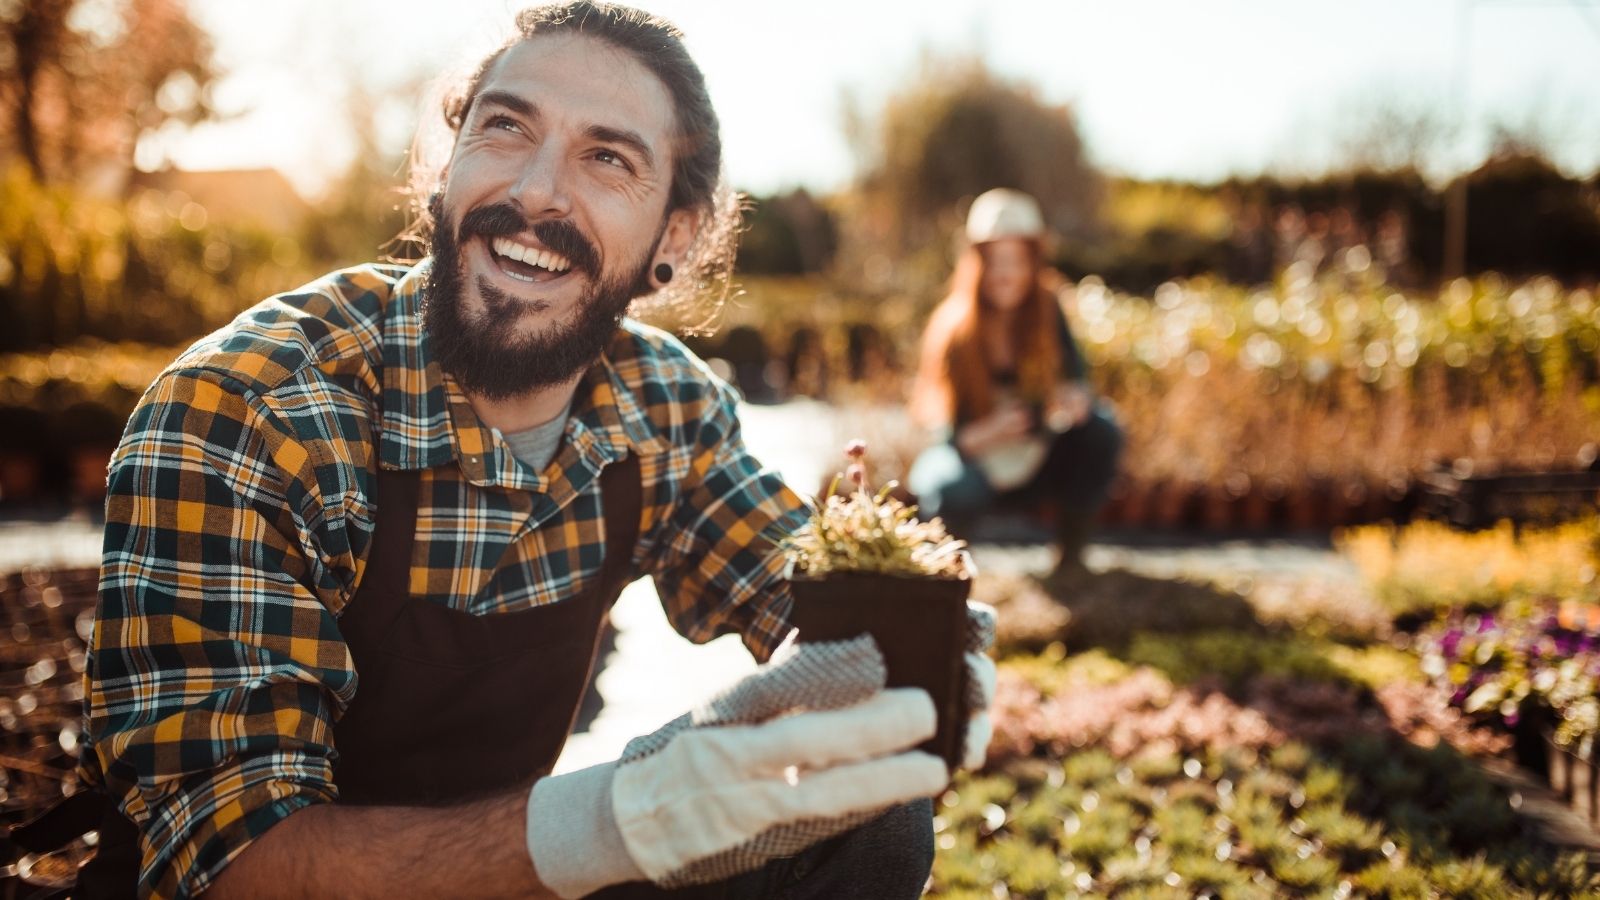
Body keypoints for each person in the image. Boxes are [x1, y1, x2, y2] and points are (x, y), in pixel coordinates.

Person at [46, 5, 995, 898]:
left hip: (498, 877)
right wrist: (607, 820)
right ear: (444, 168)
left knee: (872, 816)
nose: (536, 190)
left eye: (607, 159)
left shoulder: (662, 406)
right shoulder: (253, 411)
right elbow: (230, 864)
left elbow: (805, 600)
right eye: (505, 128)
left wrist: (923, 652)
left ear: (675, 236)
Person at [908, 188, 1122, 576]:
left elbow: (1078, 381)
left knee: (1103, 430)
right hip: (972, 461)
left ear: (1033, 262)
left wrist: (1073, 399)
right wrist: (990, 432)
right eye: (995, 261)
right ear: (976, 264)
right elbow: (940, 431)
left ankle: (1071, 561)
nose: (1006, 274)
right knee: (952, 486)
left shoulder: (1048, 312)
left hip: (1033, 457)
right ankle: (947, 573)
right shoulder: (954, 329)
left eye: (1017, 261)